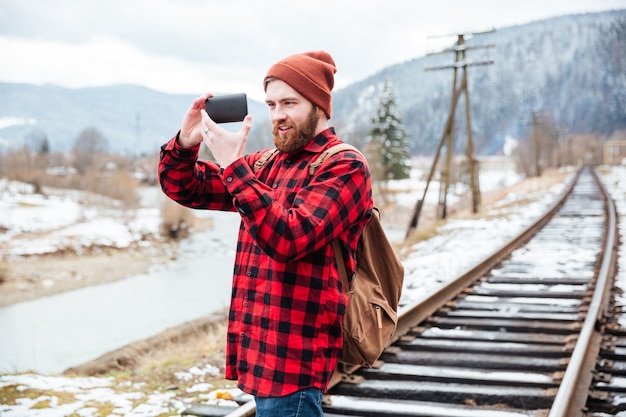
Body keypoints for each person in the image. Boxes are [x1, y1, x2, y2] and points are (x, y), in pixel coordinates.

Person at [158, 50, 373, 416]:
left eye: (290, 102)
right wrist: (186, 142)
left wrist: (233, 167)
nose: (278, 115)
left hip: (295, 359)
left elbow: (289, 237)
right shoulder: (266, 164)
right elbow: (187, 187)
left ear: (320, 105)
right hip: (258, 351)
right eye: (271, 104)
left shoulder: (345, 165)